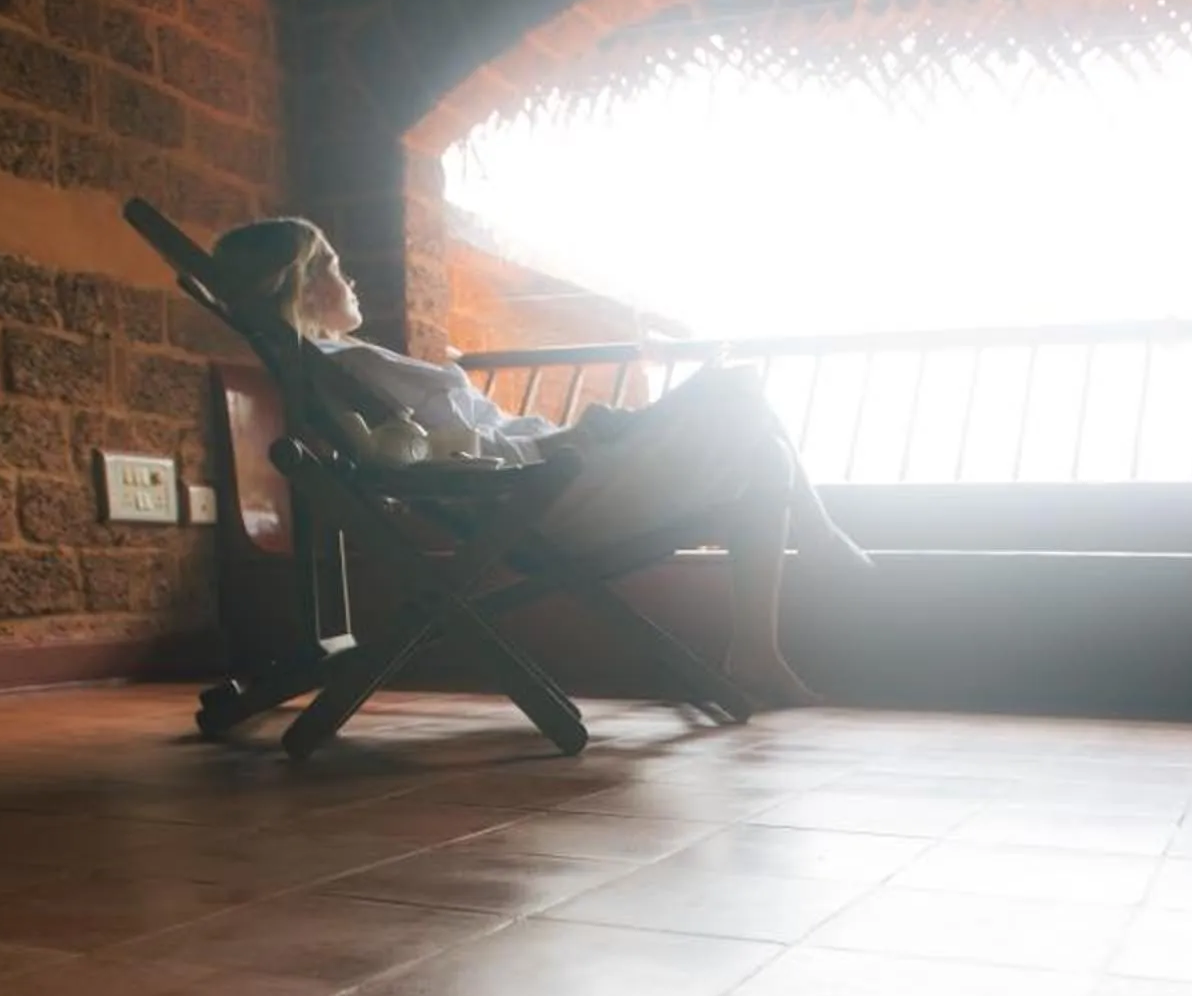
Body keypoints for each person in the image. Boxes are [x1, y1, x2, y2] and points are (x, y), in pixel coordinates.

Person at [209, 216, 867, 708]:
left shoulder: (342, 364)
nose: (347, 274)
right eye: (329, 263)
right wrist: (575, 444)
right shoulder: (345, 367)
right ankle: (814, 559)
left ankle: (761, 643)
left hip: (552, 473)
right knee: (738, 394)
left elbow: (466, 439)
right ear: (296, 285)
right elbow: (458, 454)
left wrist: (580, 434)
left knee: (759, 443)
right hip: (545, 497)